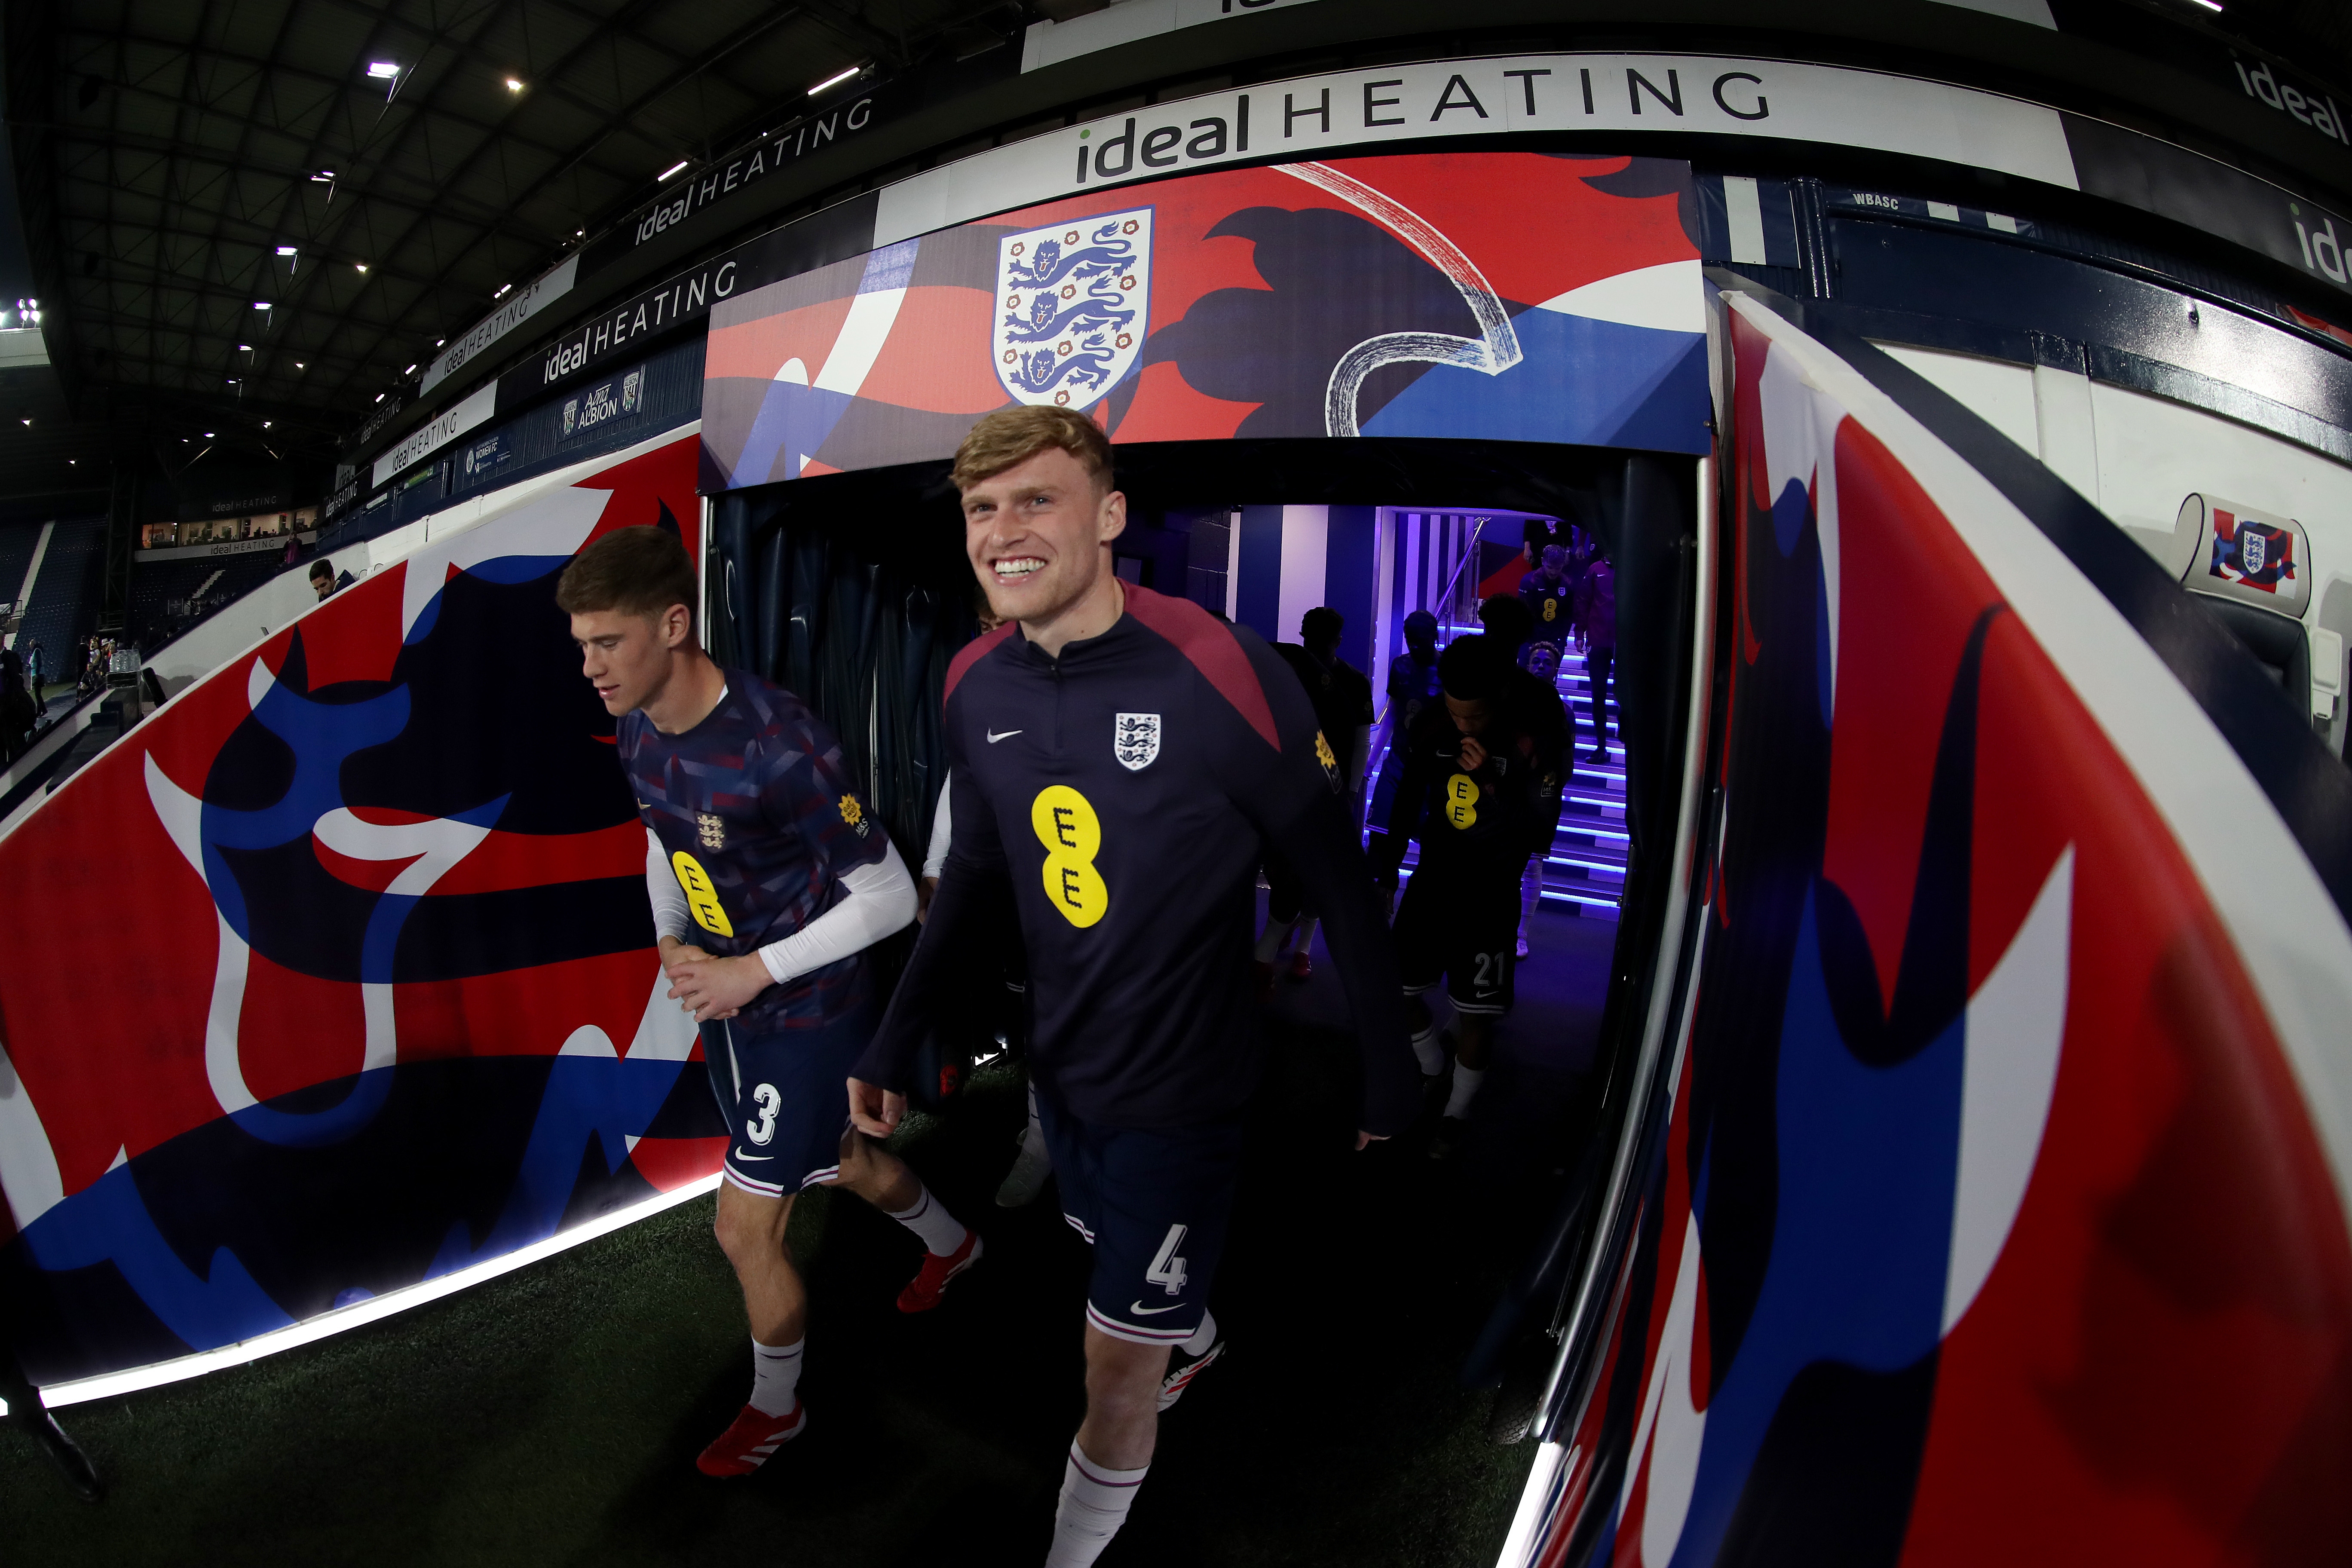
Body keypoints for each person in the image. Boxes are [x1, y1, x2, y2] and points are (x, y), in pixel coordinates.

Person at [850, 406, 1416, 1568]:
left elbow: (1339, 880)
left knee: (1112, 1368)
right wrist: (888, 1037)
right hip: (1065, 1075)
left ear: (1110, 517)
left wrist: (1389, 1064)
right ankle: (1189, 1329)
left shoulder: (1222, 671)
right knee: (1108, 1253)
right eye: (982, 509)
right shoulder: (971, 680)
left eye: (1037, 501)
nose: (1004, 532)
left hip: (1185, 1090)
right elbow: (979, 874)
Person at [558, 524, 979, 1479]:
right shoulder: (636, 725)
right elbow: (663, 837)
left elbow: (890, 896)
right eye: (581, 644)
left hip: (814, 1006)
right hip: (739, 1006)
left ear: (673, 624)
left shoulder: (781, 746)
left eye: (606, 642)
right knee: (839, 1159)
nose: (589, 665)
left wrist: (753, 971)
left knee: (743, 1224)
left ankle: (776, 1411)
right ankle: (956, 1248)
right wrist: (671, 934)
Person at [1373, 635, 1566, 1158]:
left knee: (1478, 1017)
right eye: (1456, 714)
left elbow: (1538, 833)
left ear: (1501, 697)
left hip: (1489, 893)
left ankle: (1456, 1116)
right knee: (1394, 991)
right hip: (1433, 881)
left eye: (1474, 717)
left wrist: (1488, 783)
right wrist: (1387, 868)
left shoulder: (1533, 737)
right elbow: (1409, 795)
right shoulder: (1433, 722)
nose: (1463, 726)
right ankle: (1433, 1068)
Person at [1255, 606, 1374, 981]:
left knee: (1321, 875)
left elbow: (1360, 740)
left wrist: (1351, 791)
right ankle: (1286, 940)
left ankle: (1303, 947)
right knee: (1286, 870)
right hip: (1288, 788)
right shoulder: (1286, 671)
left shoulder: (1353, 683)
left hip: (1328, 791)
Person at [1364, 609, 1443, 878]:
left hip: (1432, 768)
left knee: (1430, 843)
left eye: (1420, 639)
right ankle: (1375, 900)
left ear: (1434, 637)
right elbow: (1393, 714)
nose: (1415, 645)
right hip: (1398, 762)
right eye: (1410, 639)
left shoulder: (1446, 670)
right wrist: (1370, 762)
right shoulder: (1400, 666)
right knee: (1378, 836)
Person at [1576, 552, 1617, 764]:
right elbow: (1583, 601)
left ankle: (1628, 743)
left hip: (1623, 643)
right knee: (1598, 694)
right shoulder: (1595, 569)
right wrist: (1579, 633)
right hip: (1598, 640)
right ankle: (1601, 747)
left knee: (1624, 696)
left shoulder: (1630, 566)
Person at [1516, 544, 1575, 652]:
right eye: (1550, 567)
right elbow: (1522, 614)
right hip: (1530, 639)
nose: (1553, 572)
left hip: (1556, 640)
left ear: (1564, 564)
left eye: (1558, 568)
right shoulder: (1529, 581)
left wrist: (1562, 639)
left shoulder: (1568, 585)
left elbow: (1568, 615)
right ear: (1543, 561)